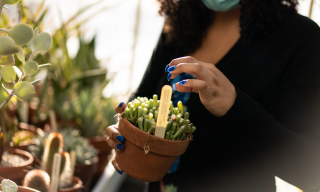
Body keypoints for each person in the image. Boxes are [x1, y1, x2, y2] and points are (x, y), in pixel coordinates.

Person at [106, 0, 320, 191]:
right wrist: (126, 130)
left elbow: (309, 170)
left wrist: (235, 105)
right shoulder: (180, 21)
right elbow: (145, 95)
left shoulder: (301, 37)